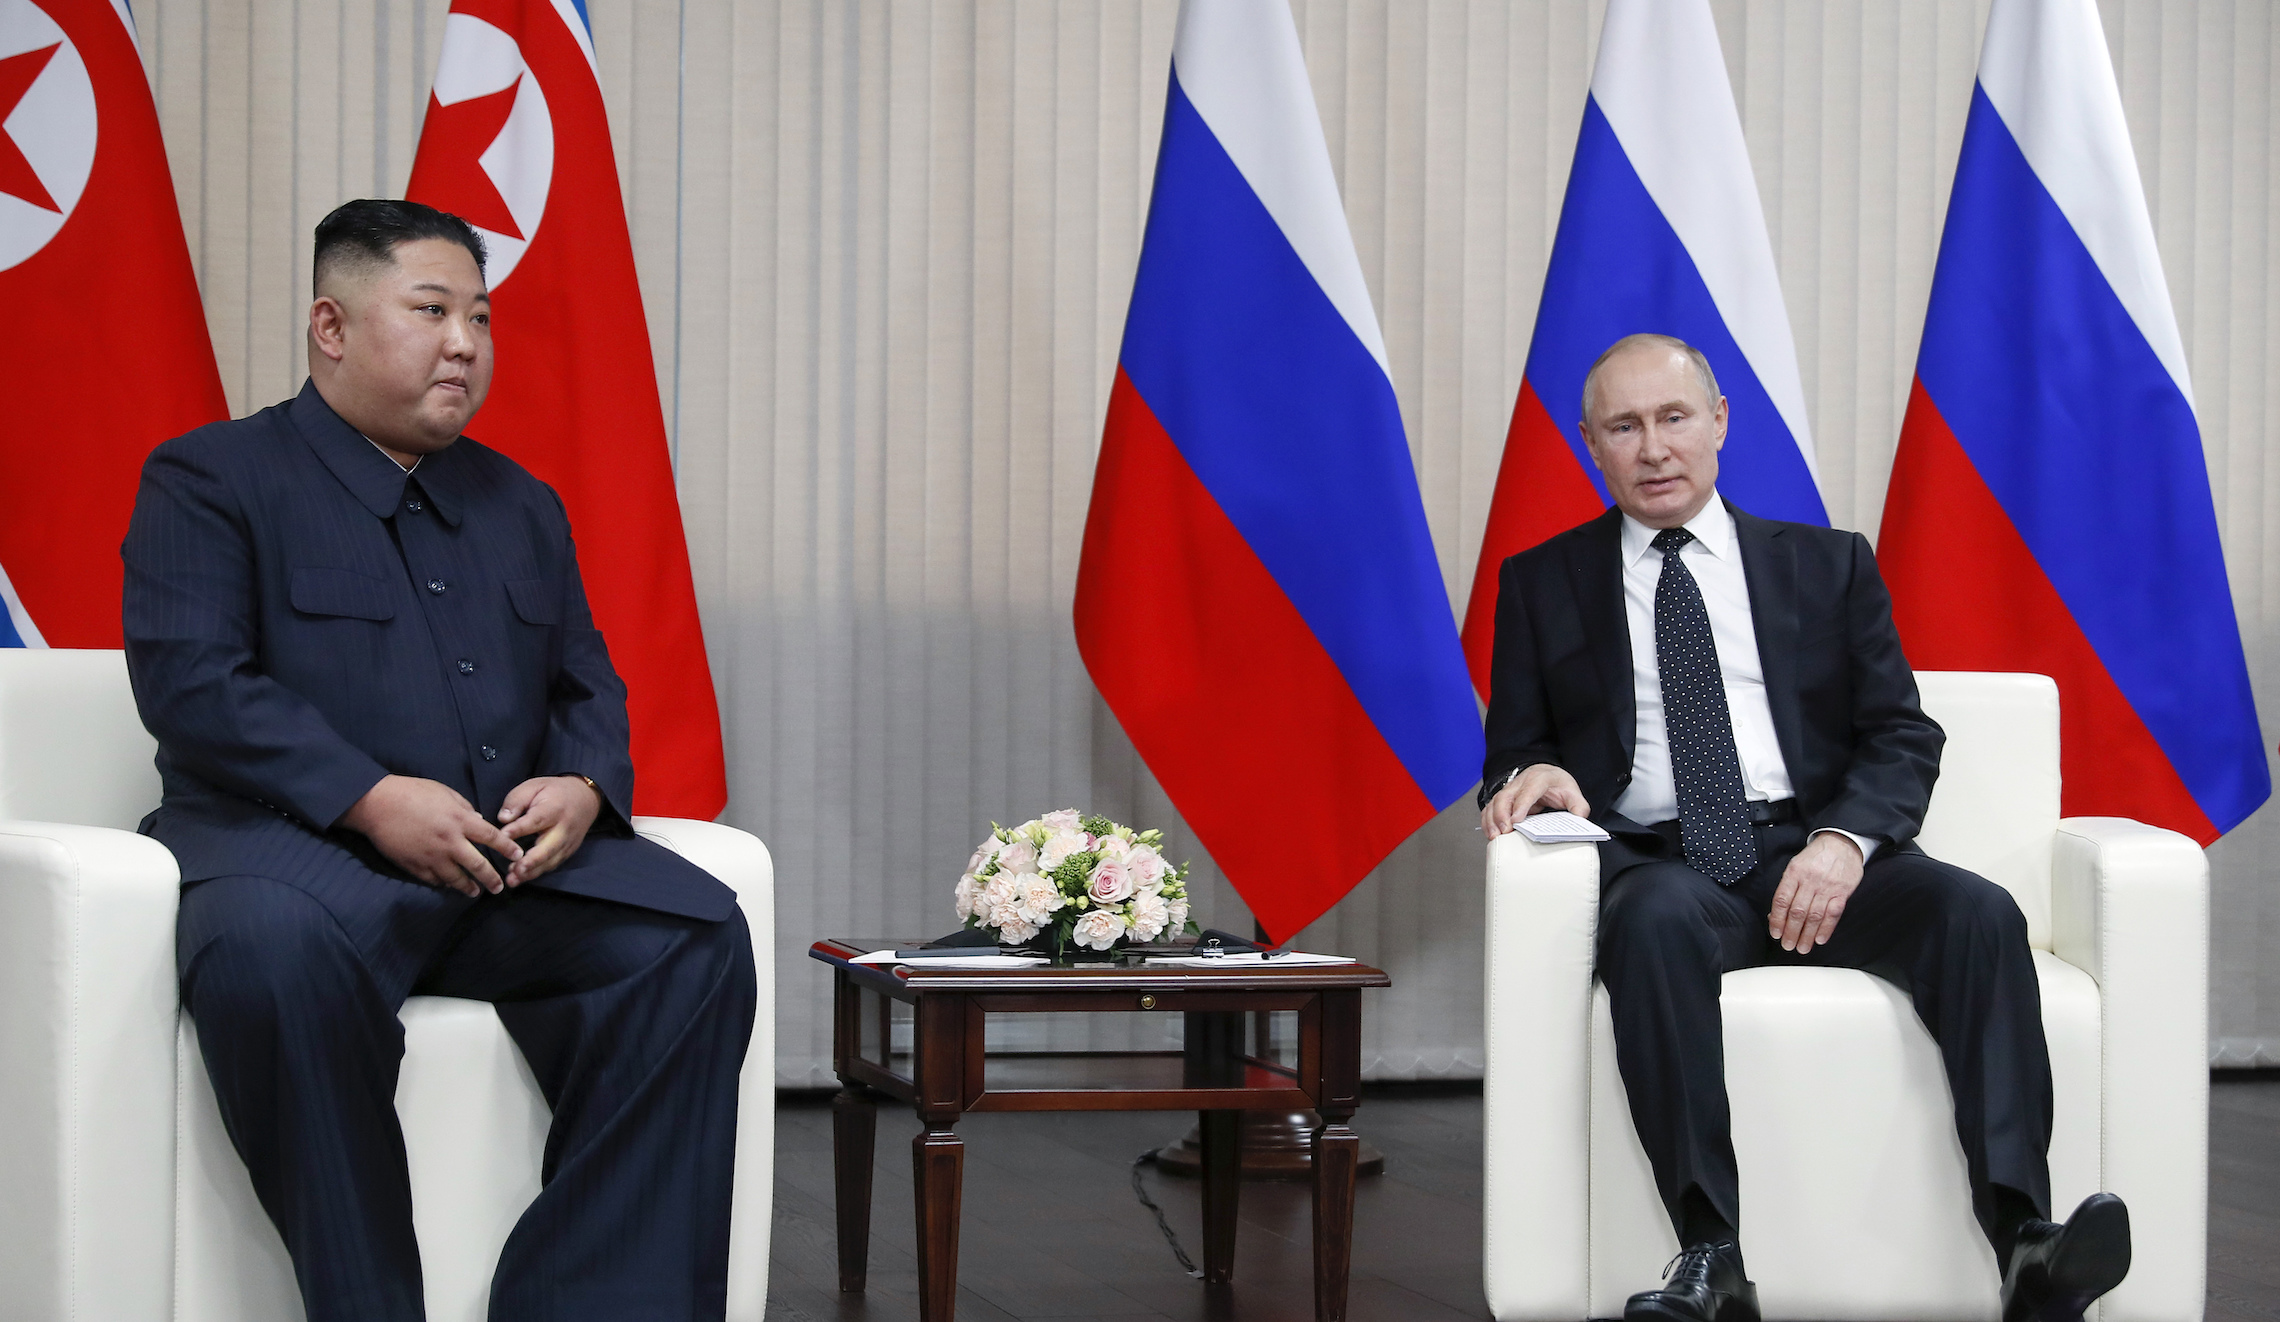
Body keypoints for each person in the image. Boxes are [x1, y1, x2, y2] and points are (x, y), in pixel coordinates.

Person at [122, 198, 756, 1322]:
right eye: (430, 311)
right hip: (292, 863)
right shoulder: (212, 476)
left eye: (480, 317)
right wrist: (367, 798)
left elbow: (586, 680)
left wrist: (584, 783)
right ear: (331, 326)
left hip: (491, 872)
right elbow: (194, 683)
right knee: (271, 956)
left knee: (690, 938)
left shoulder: (521, 502)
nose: (465, 343)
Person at [1478, 334, 2130, 1322]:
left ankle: (2026, 1243)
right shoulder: (1542, 582)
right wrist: (1536, 773)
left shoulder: (1827, 564)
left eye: (1673, 417)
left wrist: (1845, 841)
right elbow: (1514, 755)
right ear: (1591, 445)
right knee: (1651, 920)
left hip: (1817, 850)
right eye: (1625, 426)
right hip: (1663, 866)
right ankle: (1712, 1256)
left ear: (1719, 422)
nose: (1653, 447)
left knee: (1978, 912)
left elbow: (1902, 732)